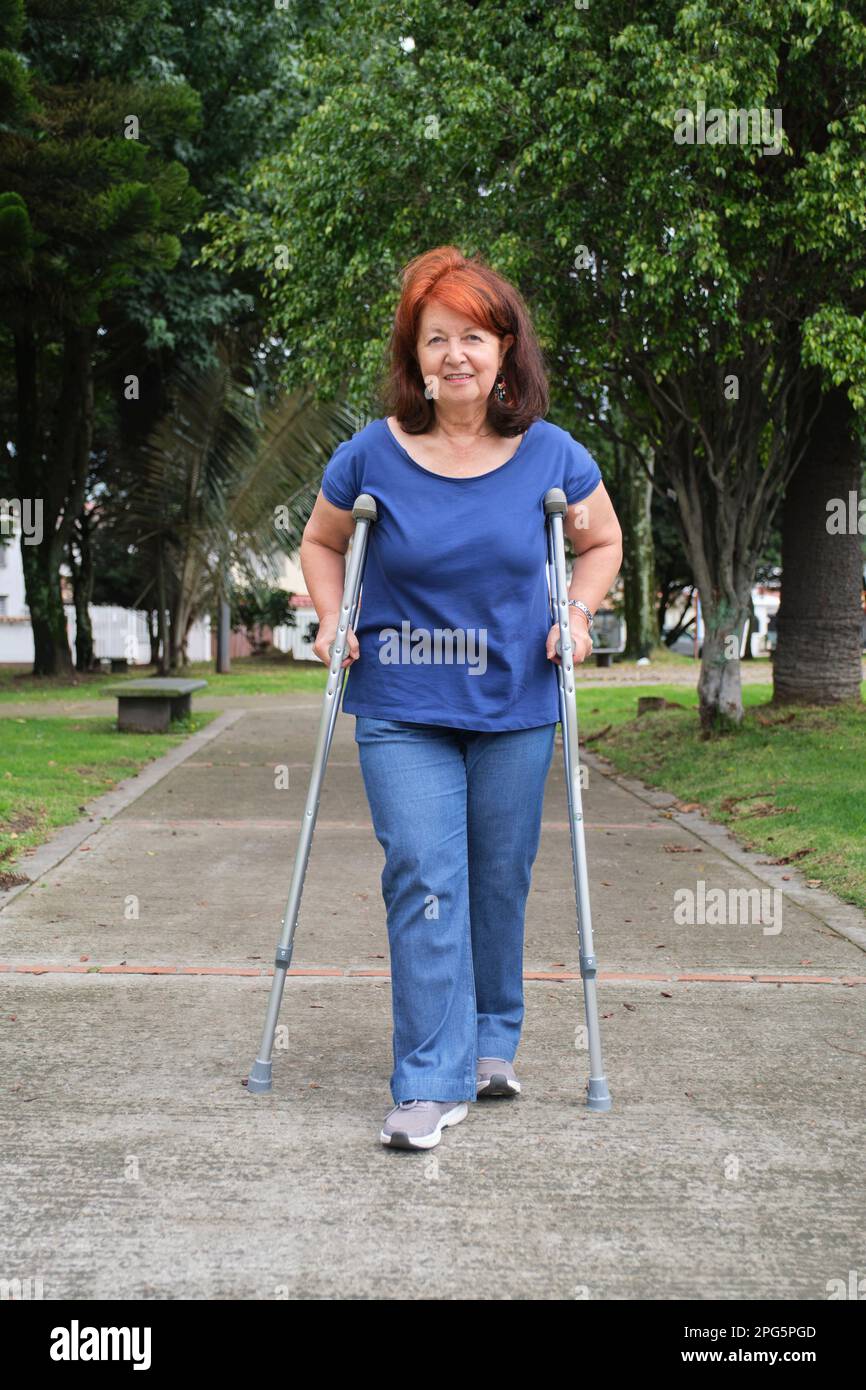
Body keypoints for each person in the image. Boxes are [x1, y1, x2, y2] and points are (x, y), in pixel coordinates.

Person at [300, 245, 622, 1151]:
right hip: (402, 700)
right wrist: (335, 619)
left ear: (504, 350)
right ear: (413, 357)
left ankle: (491, 1040)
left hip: (516, 701)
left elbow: (601, 545)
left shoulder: (551, 456)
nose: (454, 355)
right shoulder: (370, 455)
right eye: (434, 338)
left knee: (498, 879)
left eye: (472, 337)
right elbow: (323, 544)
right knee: (423, 877)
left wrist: (581, 613)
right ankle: (428, 1081)